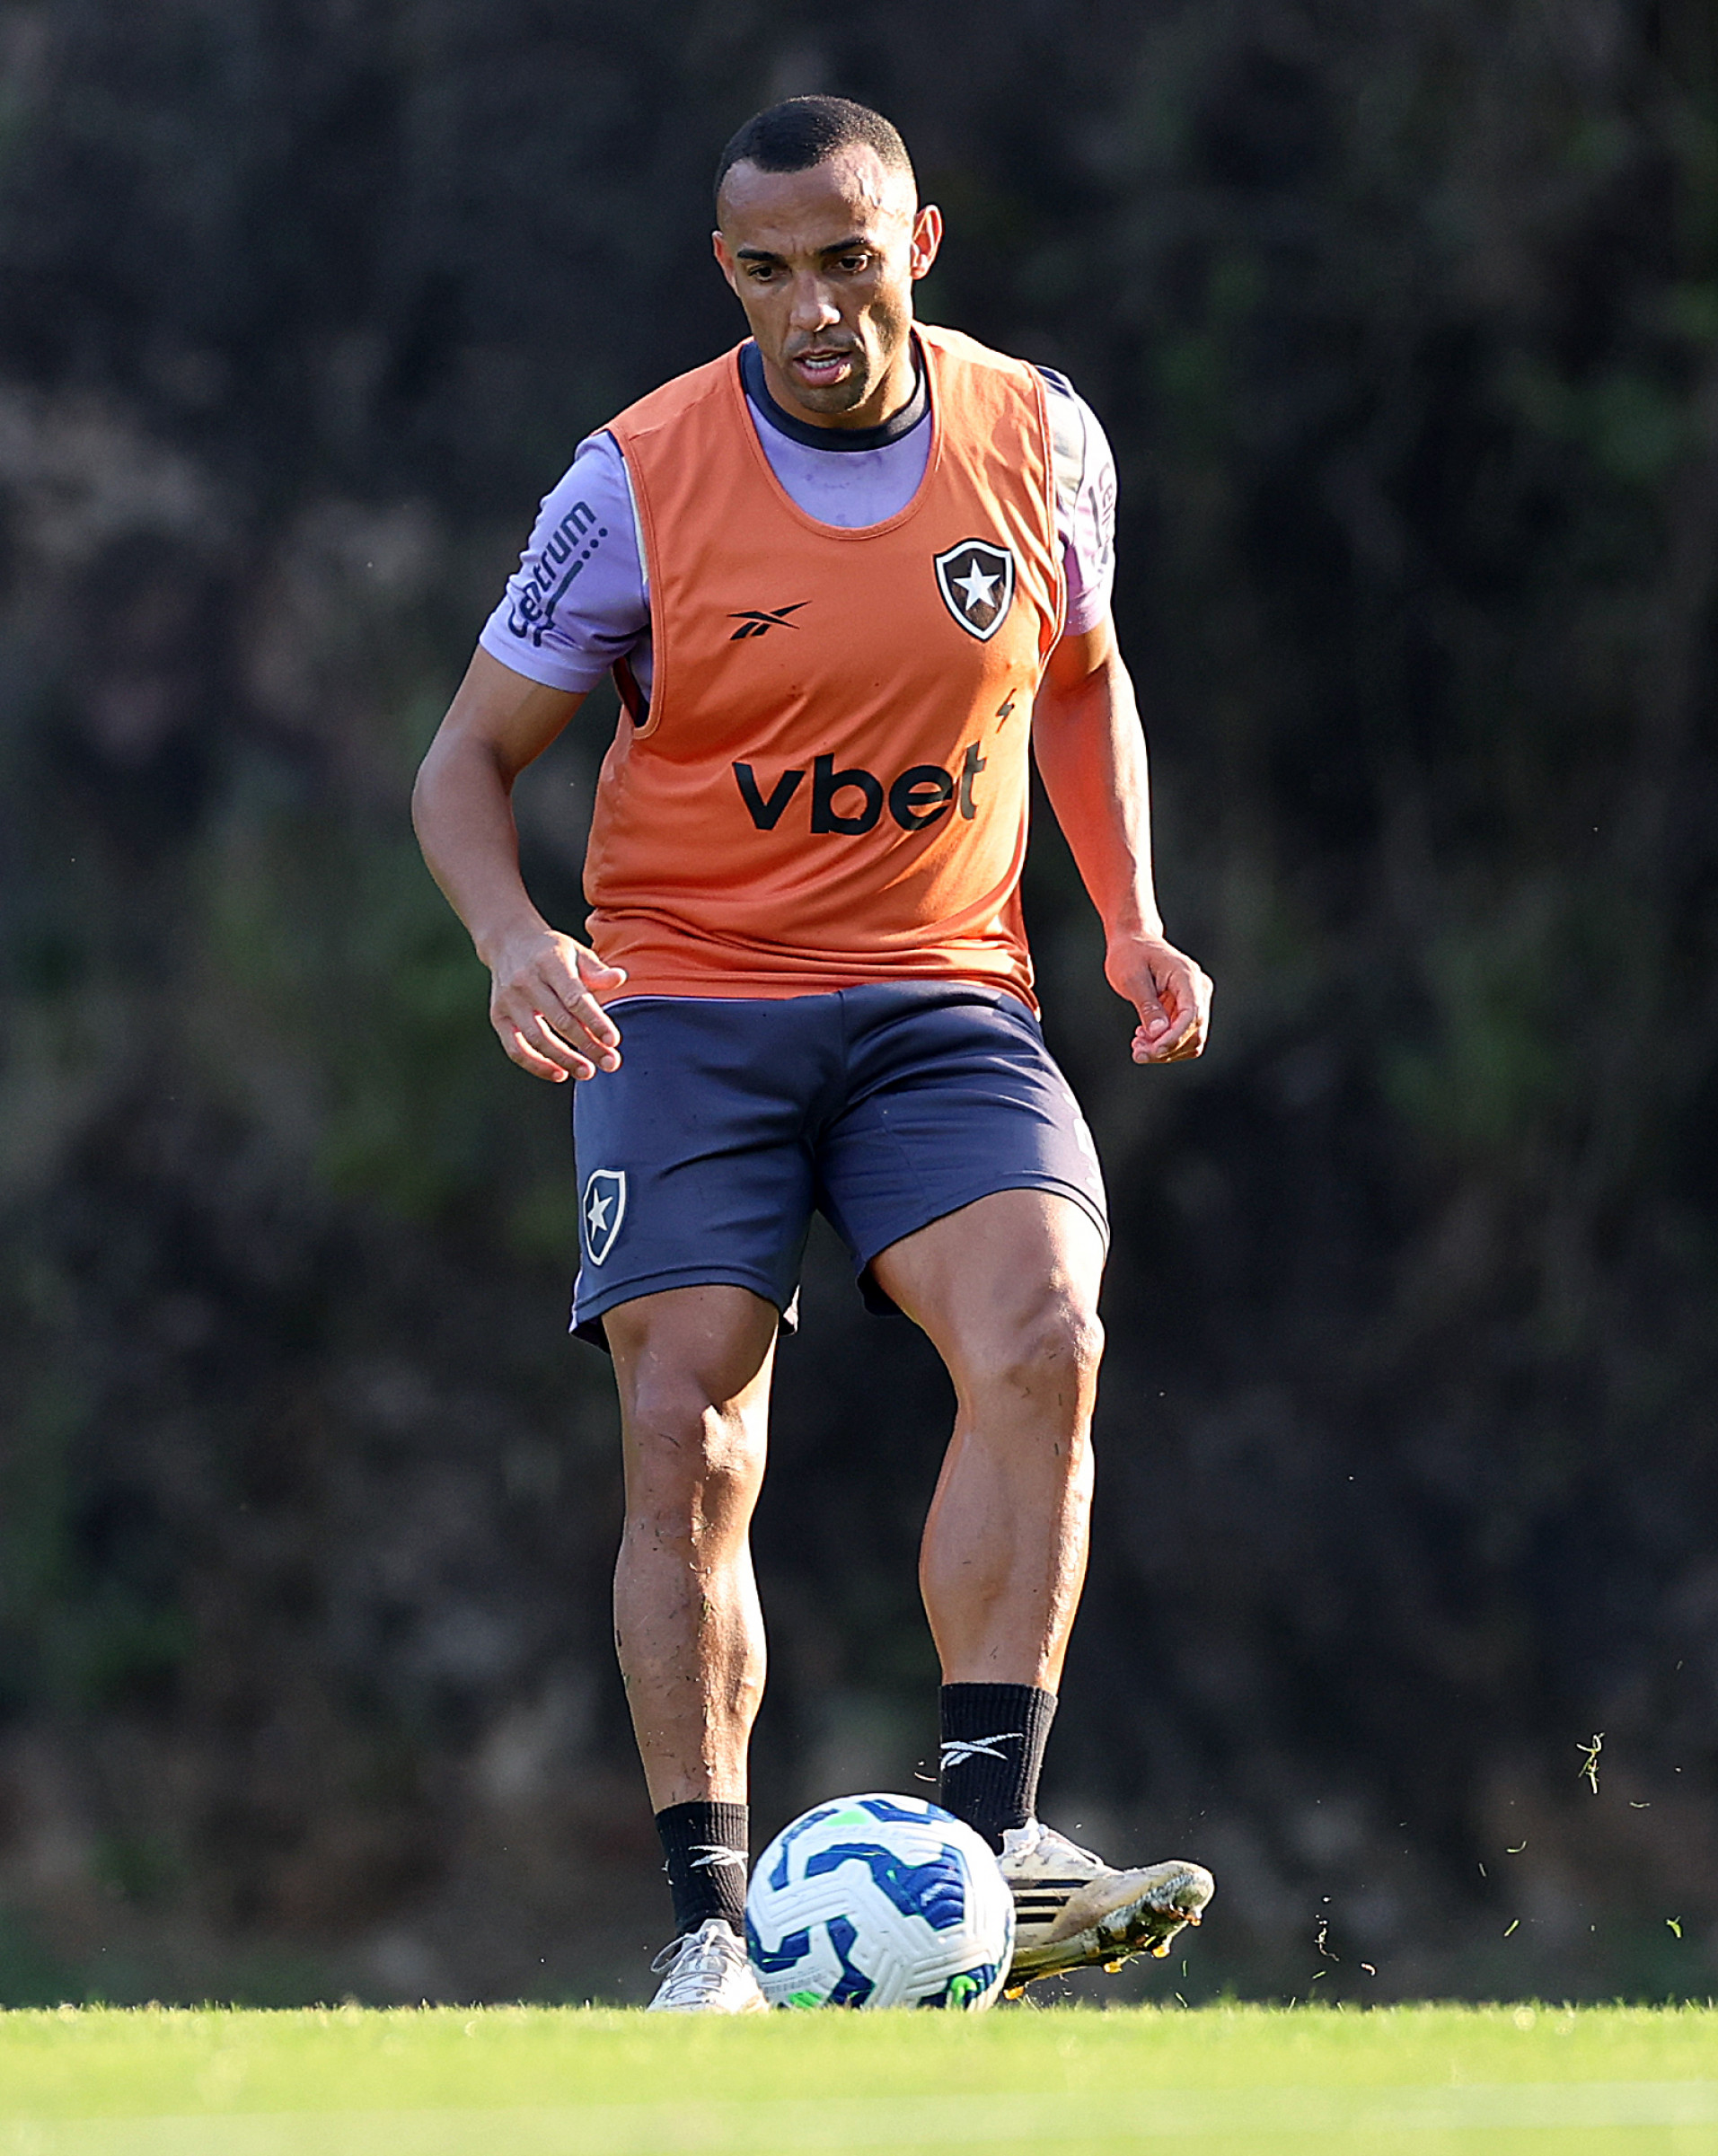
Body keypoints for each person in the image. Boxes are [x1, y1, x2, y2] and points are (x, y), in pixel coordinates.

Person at [413, 94, 1215, 2013]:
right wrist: (516, 940)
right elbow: (463, 763)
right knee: (686, 1422)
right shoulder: (634, 482)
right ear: (727, 273)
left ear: (917, 245)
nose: (816, 309)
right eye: (770, 272)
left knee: (1049, 1333)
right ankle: (711, 1929)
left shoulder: (1041, 437)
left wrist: (1128, 912)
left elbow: (1085, 673)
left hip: (944, 993)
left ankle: (999, 1842)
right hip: (688, 1001)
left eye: (850, 261)